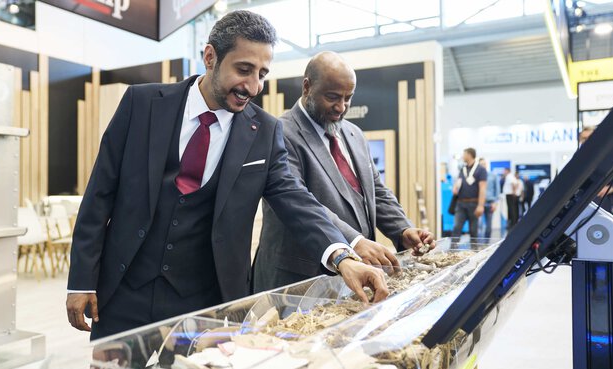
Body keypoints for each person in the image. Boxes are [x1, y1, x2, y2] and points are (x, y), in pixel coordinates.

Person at [66, 10, 389, 340]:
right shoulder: (142, 103)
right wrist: (80, 280)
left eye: (262, 73)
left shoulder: (264, 131)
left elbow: (297, 201)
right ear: (210, 57)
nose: (253, 86)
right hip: (123, 292)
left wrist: (342, 258)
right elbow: (99, 196)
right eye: (244, 69)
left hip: (206, 304)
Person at [253, 52, 435, 292]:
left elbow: (375, 192)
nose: (341, 107)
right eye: (332, 97)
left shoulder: (354, 134)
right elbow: (299, 202)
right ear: (307, 86)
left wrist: (402, 229)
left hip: (353, 275)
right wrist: (354, 241)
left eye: (348, 98)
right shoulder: (280, 132)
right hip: (298, 280)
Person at [580, 125, 613, 219]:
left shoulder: (611, 154)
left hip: (611, 202)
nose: (587, 140)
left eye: (590, 137)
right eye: (584, 138)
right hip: (588, 206)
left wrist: (612, 187)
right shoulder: (579, 159)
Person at [452, 148, 487, 238]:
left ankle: (474, 251)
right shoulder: (463, 169)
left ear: (469, 155)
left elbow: (482, 188)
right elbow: (458, 182)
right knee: (456, 228)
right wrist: (455, 187)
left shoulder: (481, 170)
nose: (462, 156)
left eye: (464, 154)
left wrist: (480, 205)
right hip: (460, 203)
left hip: (474, 204)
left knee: (473, 230)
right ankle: (451, 250)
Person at [478, 158, 499, 239]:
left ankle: (486, 243)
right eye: (481, 164)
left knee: (489, 225)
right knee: (478, 225)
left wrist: (495, 203)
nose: (483, 166)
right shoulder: (477, 177)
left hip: (490, 203)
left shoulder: (493, 175)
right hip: (479, 203)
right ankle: (478, 243)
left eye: (484, 164)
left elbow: (497, 190)